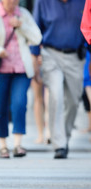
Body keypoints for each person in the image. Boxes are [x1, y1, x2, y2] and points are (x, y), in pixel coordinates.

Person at [0, 0, 42, 158]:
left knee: (19, 104)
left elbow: (37, 38)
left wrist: (22, 25)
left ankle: (18, 144)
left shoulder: (24, 15)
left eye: (15, 0)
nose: (12, 3)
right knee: (0, 108)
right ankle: (3, 146)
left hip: (21, 69)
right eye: (9, 0)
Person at [31, 0, 86, 159]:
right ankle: (59, 143)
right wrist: (34, 55)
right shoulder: (42, 2)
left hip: (76, 56)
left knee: (74, 101)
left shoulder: (83, 2)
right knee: (56, 95)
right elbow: (36, 28)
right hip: (51, 54)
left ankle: (65, 136)